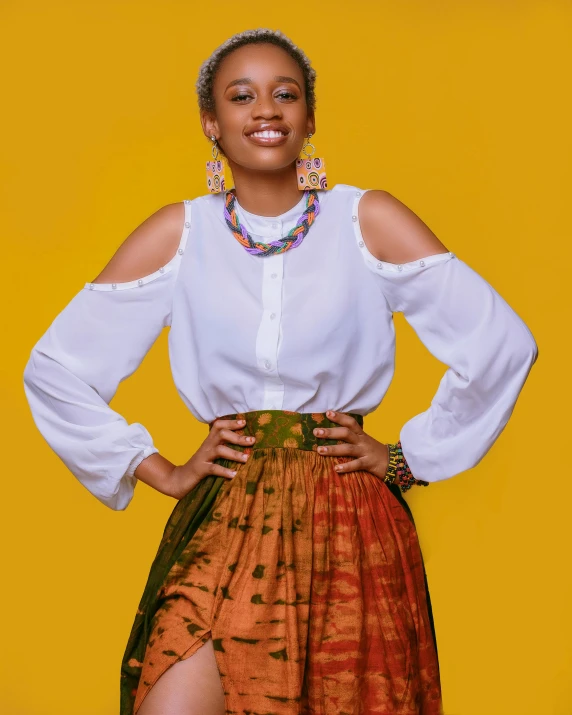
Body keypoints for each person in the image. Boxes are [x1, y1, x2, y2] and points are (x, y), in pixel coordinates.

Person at [22, 27, 538, 715]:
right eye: (242, 96)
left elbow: (501, 341)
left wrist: (409, 455)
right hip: (226, 510)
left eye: (284, 94)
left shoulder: (366, 218)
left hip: (345, 513)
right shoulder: (180, 235)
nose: (265, 109)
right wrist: (156, 469)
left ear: (310, 118)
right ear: (212, 123)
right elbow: (56, 368)